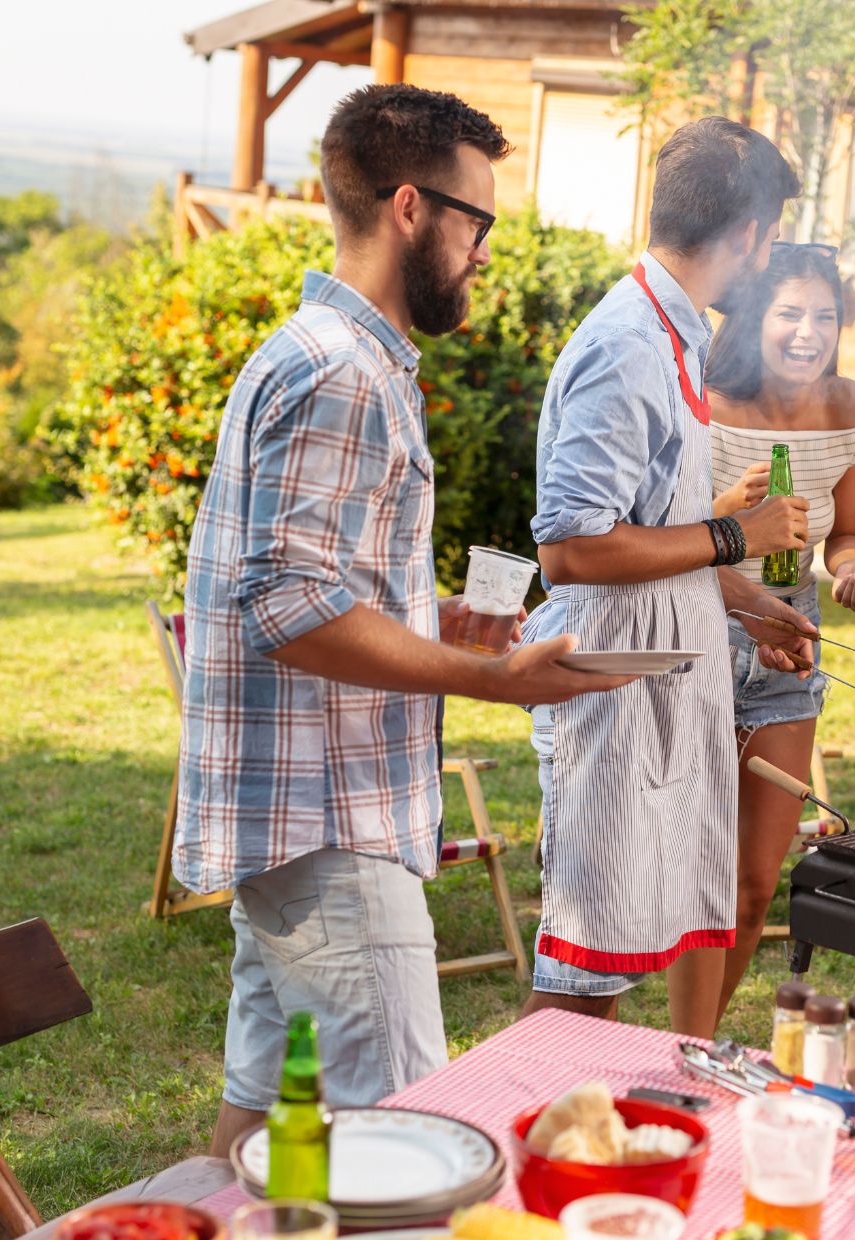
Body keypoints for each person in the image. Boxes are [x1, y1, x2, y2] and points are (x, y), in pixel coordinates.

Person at [176, 85, 634, 1158]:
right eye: (478, 220)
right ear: (410, 209)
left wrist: (434, 623)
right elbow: (289, 607)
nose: (485, 250)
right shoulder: (340, 372)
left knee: (260, 1138)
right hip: (332, 835)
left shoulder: (325, 353)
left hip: (299, 828)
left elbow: (298, 586)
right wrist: (493, 677)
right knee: (413, 1155)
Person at [520, 117, 816, 1039]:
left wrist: (747, 599)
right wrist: (739, 536)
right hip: (612, 700)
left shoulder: (673, 333)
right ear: (750, 234)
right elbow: (570, 548)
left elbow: (652, 528)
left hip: (665, 697)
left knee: (612, 975)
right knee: (581, 987)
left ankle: (564, 1158)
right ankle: (520, 1158)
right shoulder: (628, 346)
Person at [703, 242, 855, 1021]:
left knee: (753, 881)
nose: (808, 332)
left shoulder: (852, 409)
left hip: (789, 638)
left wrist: (852, 568)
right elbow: (656, 533)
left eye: (824, 316)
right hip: (700, 628)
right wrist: (725, 511)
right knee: (685, 867)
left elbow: (845, 533)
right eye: (790, 314)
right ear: (753, 320)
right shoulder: (704, 402)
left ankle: (699, 1037)